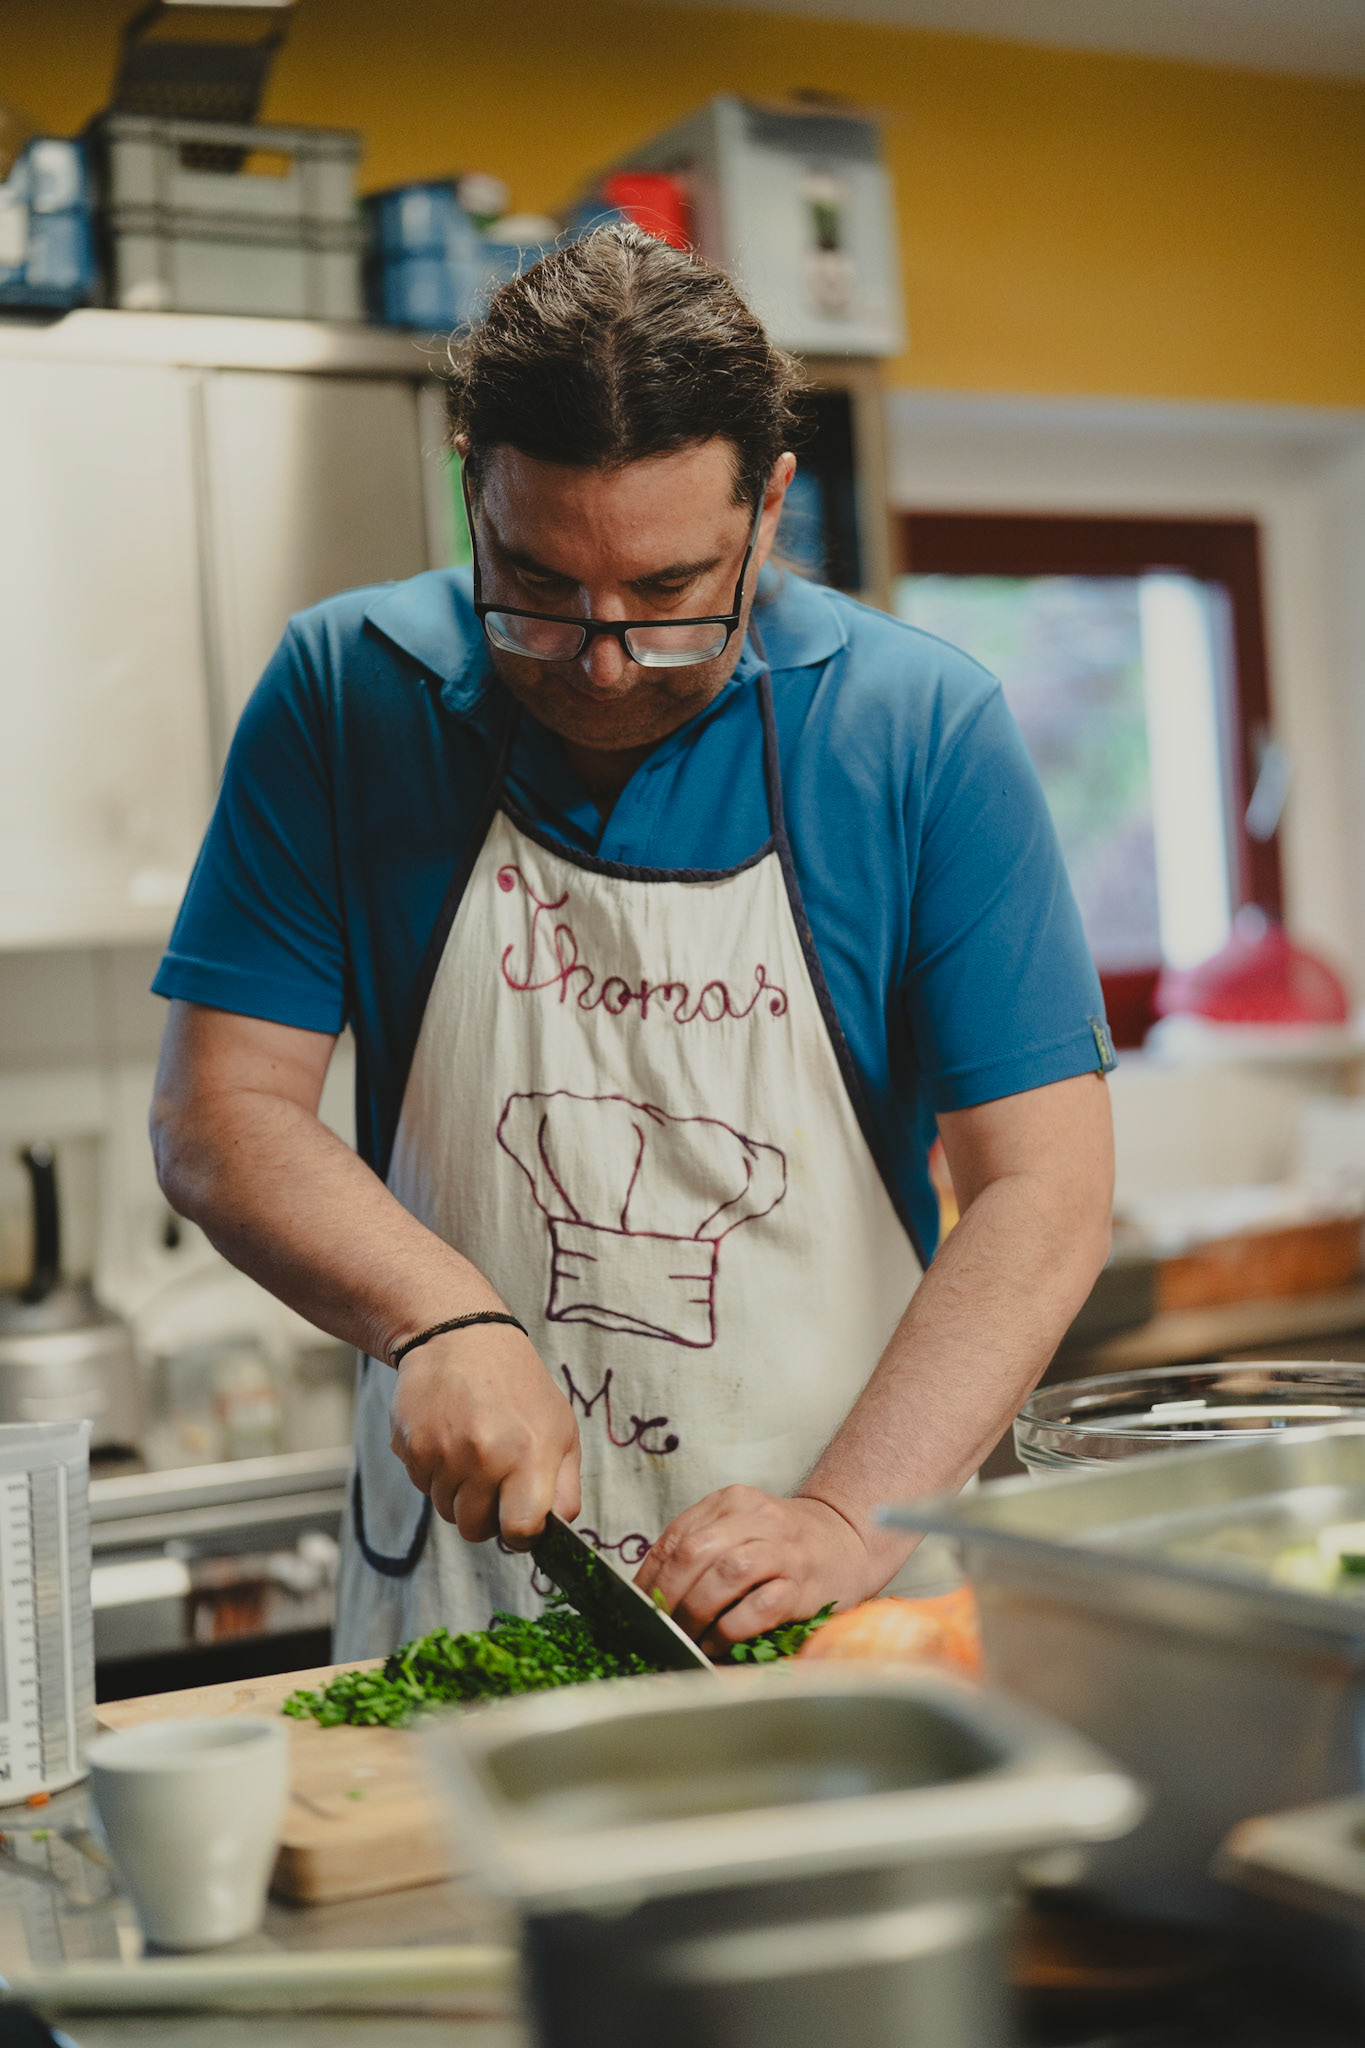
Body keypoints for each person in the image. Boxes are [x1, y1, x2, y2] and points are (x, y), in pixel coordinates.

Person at [150, 223, 1115, 1660]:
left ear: (768, 505)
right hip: (461, 1606)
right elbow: (220, 1113)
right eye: (539, 586)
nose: (602, 664)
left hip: (837, 1608)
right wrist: (439, 1318)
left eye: (667, 595)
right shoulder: (347, 697)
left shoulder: (916, 732)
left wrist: (842, 1519)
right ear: (471, 486)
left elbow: (1044, 1189)